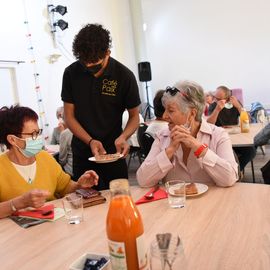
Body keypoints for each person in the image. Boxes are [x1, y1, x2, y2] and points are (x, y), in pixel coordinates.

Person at [61, 24, 141, 190]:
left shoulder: (124, 76)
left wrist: (124, 136)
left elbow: (134, 116)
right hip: (83, 152)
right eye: (86, 65)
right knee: (87, 201)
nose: (91, 70)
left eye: (96, 65)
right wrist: (90, 141)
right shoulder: (71, 74)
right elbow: (69, 116)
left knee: (119, 198)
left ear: (107, 53)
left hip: (114, 152)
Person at [0, 105, 99, 219]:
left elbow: (65, 187)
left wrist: (79, 185)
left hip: (53, 227)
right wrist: (20, 203)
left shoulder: (45, 158)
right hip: (14, 233)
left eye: (39, 132)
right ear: (12, 139)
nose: (38, 138)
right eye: (33, 134)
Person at [136, 81, 238, 187]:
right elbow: (143, 181)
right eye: (165, 110)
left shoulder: (218, 135)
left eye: (170, 111)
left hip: (213, 202)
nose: (165, 116)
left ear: (192, 113)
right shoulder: (162, 137)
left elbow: (229, 179)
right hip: (175, 203)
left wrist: (198, 147)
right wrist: (169, 151)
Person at [207, 85, 256, 172]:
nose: (216, 100)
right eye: (215, 98)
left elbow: (249, 120)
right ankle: (232, 172)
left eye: (219, 99)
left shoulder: (235, 103)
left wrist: (238, 106)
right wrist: (217, 110)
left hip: (235, 136)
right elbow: (209, 124)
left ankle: (236, 171)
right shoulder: (213, 106)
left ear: (228, 99)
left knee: (251, 151)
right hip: (219, 139)